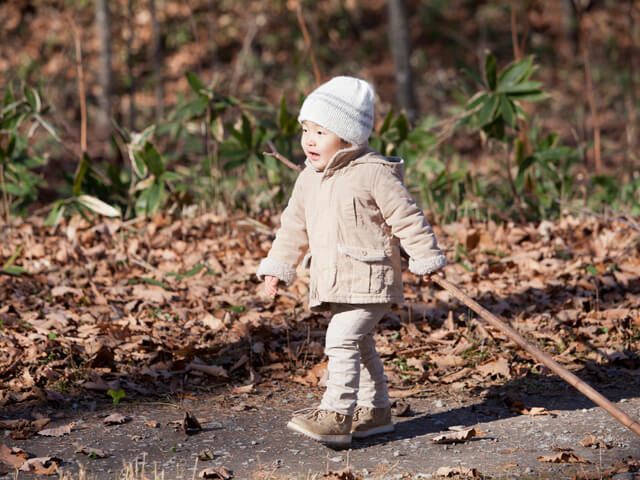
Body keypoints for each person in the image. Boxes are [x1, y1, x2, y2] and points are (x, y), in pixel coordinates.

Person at [257, 76, 446, 446]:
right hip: (333, 279)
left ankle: (337, 413)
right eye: (305, 130)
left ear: (347, 136)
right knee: (359, 346)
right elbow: (293, 228)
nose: (309, 140)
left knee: (341, 340)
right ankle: (375, 413)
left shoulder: (372, 172)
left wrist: (425, 256)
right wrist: (279, 267)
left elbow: (405, 215)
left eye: (320, 132)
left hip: (369, 276)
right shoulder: (309, 180)